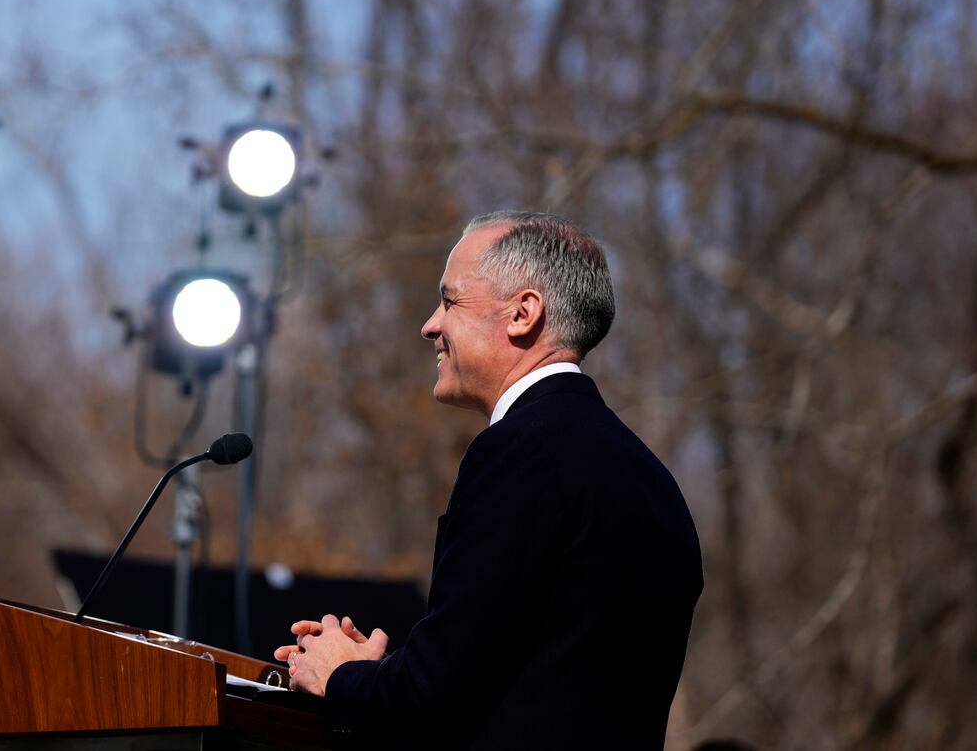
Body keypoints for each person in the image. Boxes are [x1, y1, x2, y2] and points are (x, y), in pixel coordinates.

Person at [275, 211, 703, 749]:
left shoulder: (521, 451)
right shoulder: (653, 480)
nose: (431, 324)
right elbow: (522, 673)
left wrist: (337, 676)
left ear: (523, 313)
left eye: (450, 301)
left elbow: (434, 698)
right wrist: (375, 673)